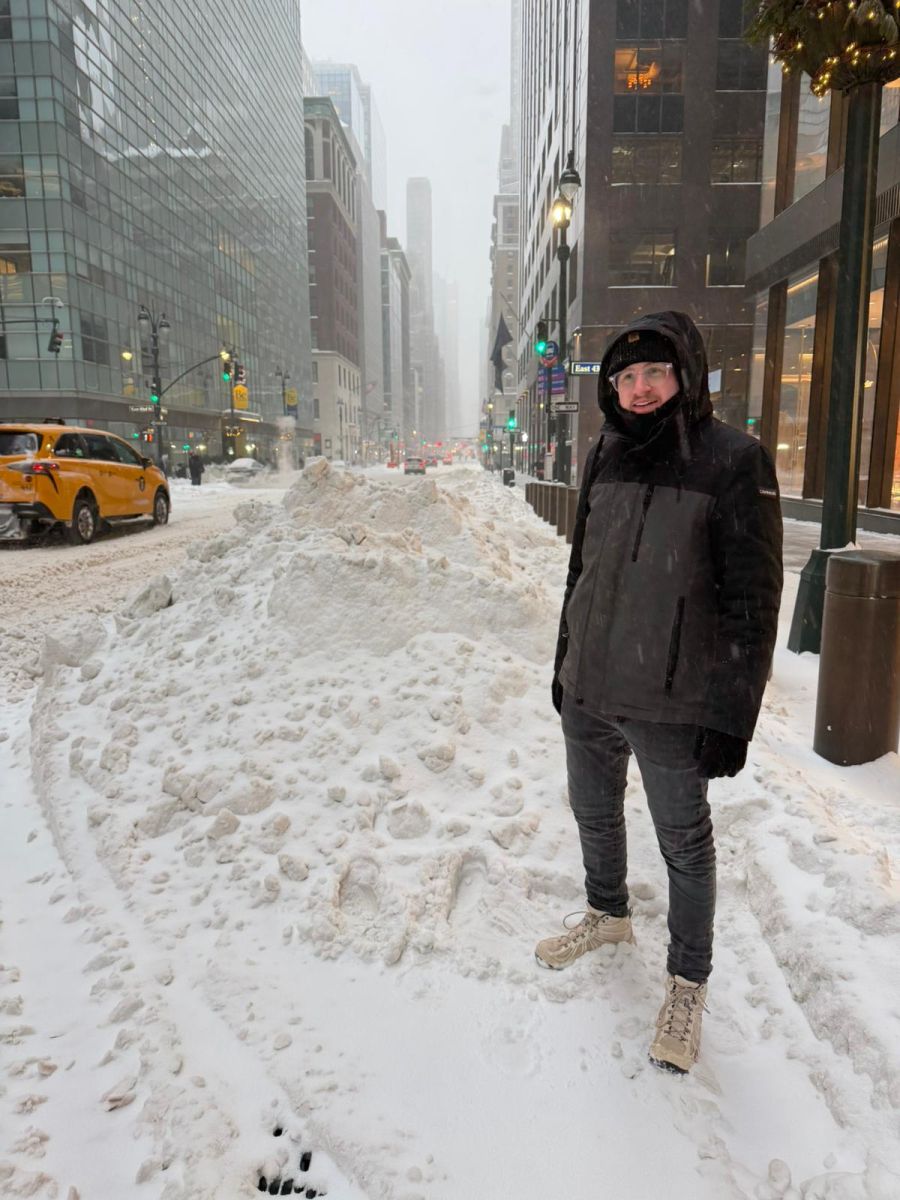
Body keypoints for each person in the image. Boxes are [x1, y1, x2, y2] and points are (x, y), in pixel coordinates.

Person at [537, 311, 783, 1075]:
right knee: (592, 809)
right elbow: (582, 568)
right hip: (592, 684)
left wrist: (733, 714)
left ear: (685, 375)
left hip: (674, 697)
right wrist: (563, 658)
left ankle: (687, 980)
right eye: (626, 377)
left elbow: (753, 596)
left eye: (654, 374)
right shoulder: (605, 453)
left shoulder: (732, 460)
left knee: (684, 843)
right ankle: (608, 914)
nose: (639, 390)